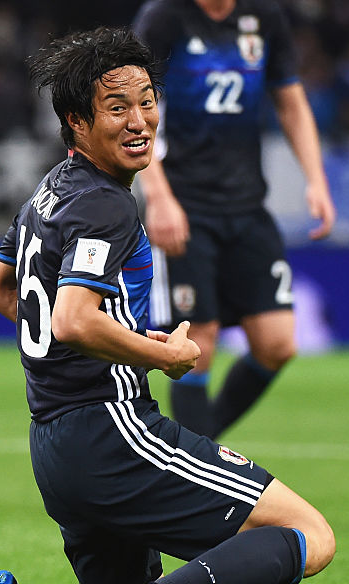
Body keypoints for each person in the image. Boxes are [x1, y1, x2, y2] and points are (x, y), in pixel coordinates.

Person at [0, 26, 334, 584]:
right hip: (114, 432)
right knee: (311, 535)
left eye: (148, 101)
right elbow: (72, 320)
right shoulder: (108, 205)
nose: (140, 121)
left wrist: (117, 334)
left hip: (54, 449)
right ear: (77, 123)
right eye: (117, 107)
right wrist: (165, 355)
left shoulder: (48, 192)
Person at [132, 0, 337, 440]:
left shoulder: (264, 16)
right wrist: (159, 197)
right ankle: (197, 464)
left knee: (277, 343)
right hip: (185, 206)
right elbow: (136, 111)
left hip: (247, 206)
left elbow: (290, 101)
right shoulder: (164, 18)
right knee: (196, 343)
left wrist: (316, 180)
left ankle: (194, 451)